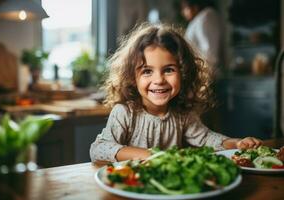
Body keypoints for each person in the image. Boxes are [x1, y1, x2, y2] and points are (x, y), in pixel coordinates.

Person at [90, 23, 262, 163]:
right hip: (132, 184)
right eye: (147, 71)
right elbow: (99, 149)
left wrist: (236, 143)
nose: (159, 80)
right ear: (132, 78)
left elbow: (207, 139)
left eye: (169, 70)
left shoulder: (183, 114)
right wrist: (150, 155)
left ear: (184, 73)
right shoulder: (125, 113)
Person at [181, 0, 222, 75]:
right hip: (200, 70)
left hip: (206, 71)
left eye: (184, 8)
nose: (183, 13)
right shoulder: (197, 20)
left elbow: (209, 50)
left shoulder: (205, 17)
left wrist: (205, 71)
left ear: (195, 7)